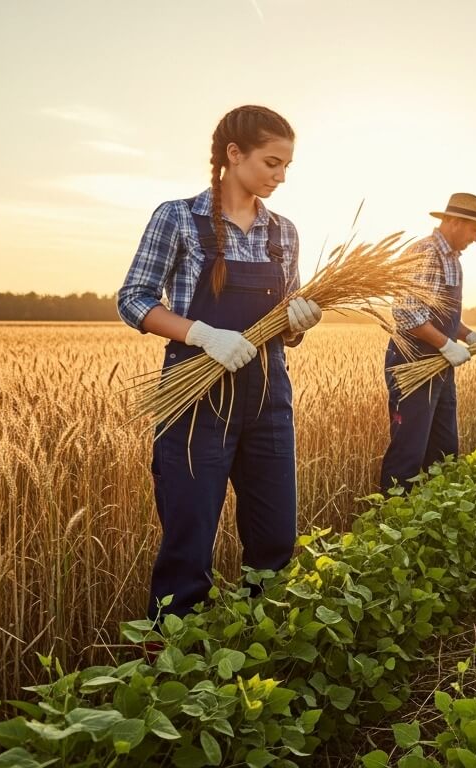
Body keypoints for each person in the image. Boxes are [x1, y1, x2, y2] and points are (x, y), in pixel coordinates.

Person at [116, 105, 321, 620]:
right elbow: (134, 299)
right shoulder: (177, 217)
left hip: (269, 399)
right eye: (272, 162)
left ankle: (260, 663)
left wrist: (297, 322)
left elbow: (284, 330)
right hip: (194, 399)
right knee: (189, 546)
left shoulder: (283, 233)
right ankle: (173, 669)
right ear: (234, 153)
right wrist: (202, 334)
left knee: (275, 543)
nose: (280, 176)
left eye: (287, 167)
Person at [379, 193, 476, 492]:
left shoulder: (453, 260)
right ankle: (393, 520)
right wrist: (446, 344)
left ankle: (437, 517)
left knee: (444, 450)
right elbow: (407, 311)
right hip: (413, 364)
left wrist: (470, 337)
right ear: (455, 222)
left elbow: (442, 316)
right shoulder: (425, 253)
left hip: (440, 365)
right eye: (475, 230)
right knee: (410, 449)